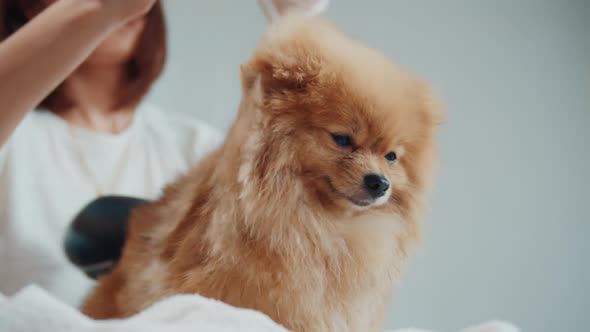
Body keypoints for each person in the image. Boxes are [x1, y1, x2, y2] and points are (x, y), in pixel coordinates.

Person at [0, 0, 329, 308]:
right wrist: (98, 11)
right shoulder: (15, 137)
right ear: (28, 10)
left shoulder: (192, 146)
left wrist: (292, 21)